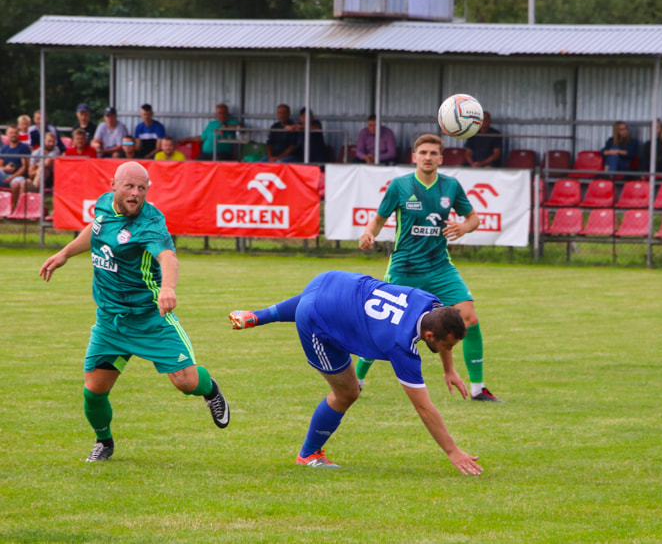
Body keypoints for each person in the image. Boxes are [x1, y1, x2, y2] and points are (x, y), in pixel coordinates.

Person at [38, 161, 230, 462]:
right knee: (93, 391)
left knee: (186, 382)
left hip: (150, 319)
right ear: (113, 183)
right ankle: (104, 442)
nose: (135, 194)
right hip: (111, 322)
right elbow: (97, 229)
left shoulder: (150, 222)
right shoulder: (104, 204)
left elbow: (167, 256)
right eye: (129, 186)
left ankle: (211, 390)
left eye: (142, 188)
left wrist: (168, 287)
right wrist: (65, 253)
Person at [228, 271, 483, 475]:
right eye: (447, 346)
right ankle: (309, 455)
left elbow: (442, 324)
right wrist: (452, 451)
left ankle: (257, 316)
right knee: (347, 392)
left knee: (315, 299)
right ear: (429, 336)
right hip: (317, 321)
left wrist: (448, 368)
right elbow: (424, 408)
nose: (448, 349)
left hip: (331, 279)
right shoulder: (401, 345)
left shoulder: (429, 302)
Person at [357, 133, 502, 402]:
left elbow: (474, 218)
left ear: (440, 158)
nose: (427, 157)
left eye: (433, 153)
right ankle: (358, 379)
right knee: (384, 328)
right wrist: (369, 234)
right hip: (404, 267)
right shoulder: (399, 186)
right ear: (414, 157)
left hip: (439, 267)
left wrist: (464, 226)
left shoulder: (451, 186)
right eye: (423, 152)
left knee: (468, 318)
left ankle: (478, 388)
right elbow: (378, 220)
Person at [10, 131, 58, 211]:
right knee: (25, 183)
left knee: (43, 169)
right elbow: (30, 172)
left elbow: (47, 163)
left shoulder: (56, 150)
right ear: (44, 141)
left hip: (51, 179)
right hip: (37, 178)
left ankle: (35, 195)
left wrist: (38, 166)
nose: (51, 144)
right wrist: (38, 167)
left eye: (53, 141)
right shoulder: (36, 153)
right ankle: (22, 209)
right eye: (49, 141)